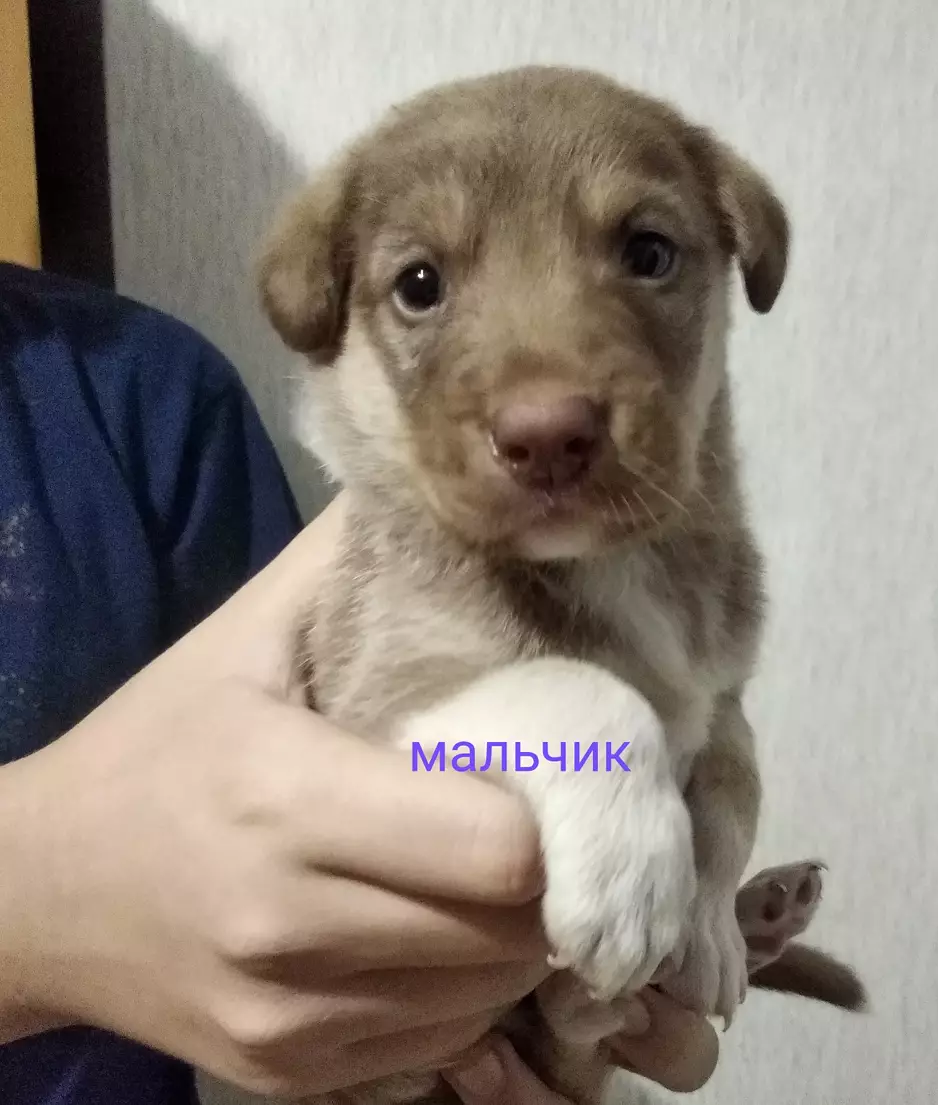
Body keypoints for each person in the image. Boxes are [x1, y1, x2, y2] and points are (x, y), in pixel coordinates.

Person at [0, 262, 720, 1105]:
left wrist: (694, 892)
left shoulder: (149, 390)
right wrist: (36, 898)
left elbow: (341, 799)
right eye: (423, 286)